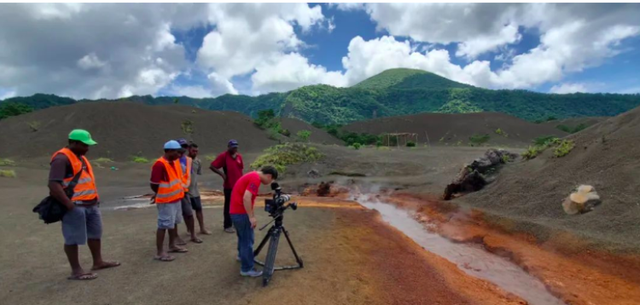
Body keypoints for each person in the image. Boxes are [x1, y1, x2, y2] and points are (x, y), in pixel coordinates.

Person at [48, 129, 120, 280]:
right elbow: (53, 185)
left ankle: (98, 262)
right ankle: (76, 270)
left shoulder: (80, 157)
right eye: (84, 145)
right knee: (72, 238)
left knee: (95, 234)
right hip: (76, 206)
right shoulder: (61, 159)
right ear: (74, 143)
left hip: (91, 204)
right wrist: (69, 205)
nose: (87, 148)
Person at [231, 166, 279, 277]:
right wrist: (251, 217)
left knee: (243, 238)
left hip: (235, 212)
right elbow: (246, 198)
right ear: (269, 176)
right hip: (241, 213)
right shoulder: (255, 179)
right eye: (271, 180)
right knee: (247, 241)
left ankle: (242, 256)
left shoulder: (252, 175)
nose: (269, 182)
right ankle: (247, 269)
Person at [150, 140, 189, 262]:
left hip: (176, 198)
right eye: (177, 152)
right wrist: (159, 193)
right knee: (163, 225)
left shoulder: (175, 161)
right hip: (166, 200)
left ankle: (172, 245)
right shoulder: (159, 164)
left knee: (173, 223)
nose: (179, 155)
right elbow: (154, 184)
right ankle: (160, 252)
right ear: (170, 151)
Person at [210, 139, 244, 233]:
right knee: (228, 206)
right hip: (229, 185)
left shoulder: (239, 156)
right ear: (228, 147)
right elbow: (212, 166)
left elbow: (240, 170)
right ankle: (227, 225)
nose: (234, 148)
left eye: (236, 147)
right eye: (233, 147)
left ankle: (235, 223)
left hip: (238, 185)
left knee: (237, 205)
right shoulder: (224, 156)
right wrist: (222, 174)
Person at [176, 139, 201, 244]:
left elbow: (188, 176)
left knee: (189, 214)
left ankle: (192, 235)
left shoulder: (188, 160)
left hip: (185, 192)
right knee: (175, 216)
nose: (183, 149)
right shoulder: (172, 159)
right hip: (174, 192)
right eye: (181, 146)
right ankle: (175, 237)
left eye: (185, 147)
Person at [187, 143, 211, 235]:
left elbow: (197, 174)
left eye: (196, 151)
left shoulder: (198, 162)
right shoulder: (183, 161)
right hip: (186, 191)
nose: (195, 153)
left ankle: (202, 228)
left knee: (199, 209)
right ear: (189, 150)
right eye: (193, 151)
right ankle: (190, 230)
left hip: (195, 190)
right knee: (188, 213)